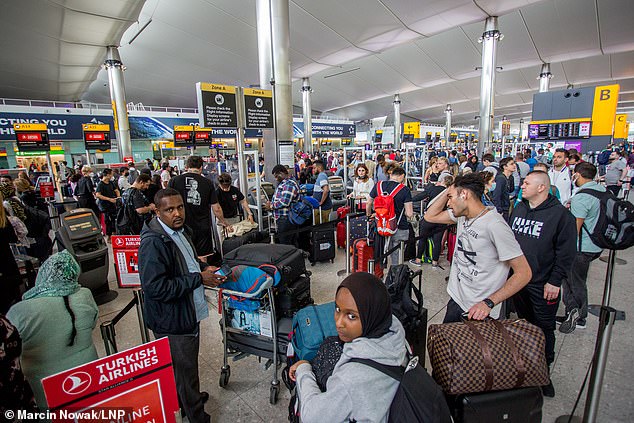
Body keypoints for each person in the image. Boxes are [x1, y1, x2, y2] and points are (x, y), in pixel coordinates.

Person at [139, 189, 225, 423]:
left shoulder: (181, 231)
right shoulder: (153, 243)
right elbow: (155, 287)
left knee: (185, 367)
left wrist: (202, 267)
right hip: (172, 320)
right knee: (185, 369)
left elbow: (186, 259)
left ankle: (189, 399)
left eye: (180, 207)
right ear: (157, 211)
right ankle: (196, 415)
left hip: (187, 311)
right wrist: (198, 278)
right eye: (169, 209)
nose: (177, 213)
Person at [288, 273, 407, 423]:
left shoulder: (351, 381)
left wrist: (304, 370)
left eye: (351, 316)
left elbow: (311, 416)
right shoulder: (394, 333)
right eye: (337, 309)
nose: (339, 323)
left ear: (371, 315)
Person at [424, 173, 532, 322]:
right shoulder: (462, 215)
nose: (448, 203)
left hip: (479, 310)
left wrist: (489, 302)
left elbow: (524, 273)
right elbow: (430, 216)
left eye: (451, 198)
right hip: (457, 298)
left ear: (464, 194)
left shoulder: (495, 225)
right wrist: (450, 189)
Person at [509, 171, 577, 397]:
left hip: (543, 284)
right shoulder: (519, 209)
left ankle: (543, 373)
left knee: (544, 328)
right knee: (524, 324)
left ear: (542, 188)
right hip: (519, 280)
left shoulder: (560, 216)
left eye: (527, 183)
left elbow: (566, 253)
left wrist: (554, 281)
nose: (522, 185)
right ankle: (526, 367)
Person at [6, 251, 99, 410]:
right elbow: (93, 322)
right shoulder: (85, 294)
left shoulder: (21, 310)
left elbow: (9, 349)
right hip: (88, 376)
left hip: (45, 389)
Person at [559, 162, 605, 334]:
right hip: (595, 244)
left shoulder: (581, 197)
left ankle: (578, 316)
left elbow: (574, 229)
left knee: (574, 281)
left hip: (581, 247)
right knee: (575, 279)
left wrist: (563, 248)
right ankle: (572, 311)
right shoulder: (600, 191)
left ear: (577, 175)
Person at [168, 156, 217, 258]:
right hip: (202, 227)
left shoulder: (174, 181)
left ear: (187, 166)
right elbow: (216, 207)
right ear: (201, 167)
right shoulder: (207, 183)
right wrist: (223, 221)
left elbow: (166, 202)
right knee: (202, 256)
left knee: (183, 255)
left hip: (180, 225)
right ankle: (203, 273)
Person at [367, 166, 413, 266]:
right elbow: (409, 213)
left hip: (381, 226)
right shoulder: (404, 190)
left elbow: (369, 202)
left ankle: (381, 272)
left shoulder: (378, 185)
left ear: (391, 174)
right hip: (399, 227)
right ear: (402, 176)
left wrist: (369, 214)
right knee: (397, 256)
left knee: (381, 251)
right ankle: (394, 275)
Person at [410, 172, 453, 268]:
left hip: (429, 219)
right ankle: (435, 262)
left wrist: (410, 200)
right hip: (442, 219)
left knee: (422, 239)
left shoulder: (433, 189)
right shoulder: (450, 193)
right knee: (437, 241)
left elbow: (420, 196)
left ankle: (418, 260)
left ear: (442, 181)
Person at [211, 172, 254, 240]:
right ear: (219, 184)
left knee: (236, 239)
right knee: (223, 240)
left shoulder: (234, 190)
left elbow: (243, 200)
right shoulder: (217, 193)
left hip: (234, 218)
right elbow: (217, 209)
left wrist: (249, 213)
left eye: (227, 187)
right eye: (223, 187)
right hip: (222, 219)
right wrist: (225, 223)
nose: (225, 189)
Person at [266, 165, 300, 246]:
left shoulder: (289, 184)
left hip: (286, 219)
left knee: (286, 245)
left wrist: (271, 206)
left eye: (276, 176)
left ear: (281, 173)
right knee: (287, 243)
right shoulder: (284, 184)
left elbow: (285, 202)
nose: (276, 178)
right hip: (283, 218)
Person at [95, 168, 120, 243]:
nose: (112, 175)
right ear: (108, 175)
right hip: (105, 205)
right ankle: (109, 236)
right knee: (107, 221)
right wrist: (109, 199)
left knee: (113, 219)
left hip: (112, 204)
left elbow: (116, 190)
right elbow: (98, 195)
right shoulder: (101, 184)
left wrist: (118, 197)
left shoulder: (111, 183)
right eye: (111, 174)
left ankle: (114, 233)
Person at [311, 160, 332, 224]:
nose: (313, 170)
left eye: (314, 168)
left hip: (324, 209)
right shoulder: (320, 176)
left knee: (323, 228)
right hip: (321, 208)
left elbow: (326, 190)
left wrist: (321, 202)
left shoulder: (322, 176)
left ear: (319, 168)